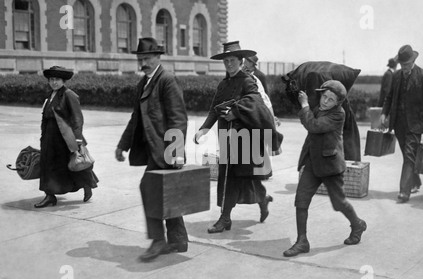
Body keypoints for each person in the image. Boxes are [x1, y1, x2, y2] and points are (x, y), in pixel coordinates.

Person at [194, 41, 282, 233]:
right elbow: (214, 109)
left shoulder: (248, 81)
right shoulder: (223, 84)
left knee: (240, 177)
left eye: (232, 60)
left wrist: (236, 112)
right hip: (226, 136)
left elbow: (256, 103)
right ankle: (257, 202)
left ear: (241, 61)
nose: (229, 64)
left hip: (245, 138)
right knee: (233, 177)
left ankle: (227, 217)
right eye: (226, 61)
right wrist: (204, 129)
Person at [115, 37, 189, 262]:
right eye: (140, 59)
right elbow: (135, 119)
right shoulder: (144, 84)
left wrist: (175, 153)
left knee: (149, 189)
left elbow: (178, 119)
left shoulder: (166, 80)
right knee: (167, 192)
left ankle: (158, 240)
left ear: (158, 57)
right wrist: (123, 144)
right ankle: (178, 239)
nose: (143, 63)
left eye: (147, 58)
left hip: (166, 150)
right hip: (155, 150)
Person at [283, 80, 367, 258]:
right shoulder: (319, 108)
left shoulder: (338, 114)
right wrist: (295, 93)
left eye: (330, 99)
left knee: (339, 203)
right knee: (301, 200)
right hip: (313, 162)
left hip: (331, 166)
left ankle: (358, 224)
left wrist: (305, 104)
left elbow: (313, 125)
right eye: (324, 96)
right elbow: (306, 114)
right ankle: (302, 241)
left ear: (338, 103)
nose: (325, 101)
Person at [35, 66, 98, 208]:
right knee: (48, 166)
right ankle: (49, 196)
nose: (54, 82)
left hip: (66, 138)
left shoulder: (69, 95)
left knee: (74, 165)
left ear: (63, 81)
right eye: (51, 80)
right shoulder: (49, 95)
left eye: (57, 79)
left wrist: (78, 140)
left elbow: (77, 118)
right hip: (50, 138)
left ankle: (87, 185)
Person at [381, 45, 423, 203]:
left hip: (415, 123)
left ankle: (404, 191)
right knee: (407, 155)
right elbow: (389, 97)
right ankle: (415, 181)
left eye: (407, 65)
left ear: (413, 61)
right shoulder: (396, 76)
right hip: (398, 123)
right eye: (402, 65)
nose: (404, 68)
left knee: (410, 154)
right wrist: (384, 114)